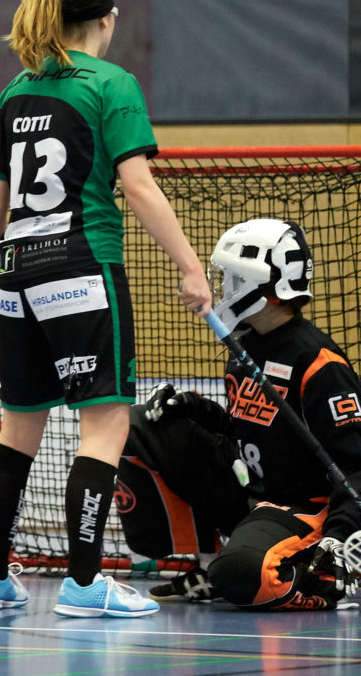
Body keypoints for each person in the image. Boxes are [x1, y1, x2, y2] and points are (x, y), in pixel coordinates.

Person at [0, 0, 211, 618]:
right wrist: (190, 265)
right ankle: (82, 584)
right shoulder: (112, 83)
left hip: (19, 271)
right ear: (106, 20)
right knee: (103, 422)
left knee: (16, 428)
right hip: (81, 266)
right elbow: (138, 186)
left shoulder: (16, 89)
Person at [117, 218, 361, 610]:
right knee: (136, 423)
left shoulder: (318, 361)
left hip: (303, 507)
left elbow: (355, 463)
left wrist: (339, 533)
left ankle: (318, 579)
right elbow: (247, 430)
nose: (221, 288)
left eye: (229, 278)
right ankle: (209, 562)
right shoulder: (245, 347)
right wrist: (193, 408)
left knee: (244, 577)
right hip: (250, 493)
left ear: (257, 284)